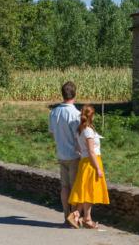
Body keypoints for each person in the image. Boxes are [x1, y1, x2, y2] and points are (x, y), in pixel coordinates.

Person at [68, 104, 110, 229]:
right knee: (90, 191)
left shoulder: (80, 129)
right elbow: (92, 151)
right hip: (92, 162)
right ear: (92, 116)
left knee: (86, 191)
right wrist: (98, 168)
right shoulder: (88, 131)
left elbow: (79, 148)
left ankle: (78, 215)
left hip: (85, 161)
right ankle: (85, 218)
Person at [49, 81, 81, 227]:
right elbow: (78, 136)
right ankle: (73, 216)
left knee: (64, 187)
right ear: (75, 94)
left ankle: (65, 215)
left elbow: (52, 133)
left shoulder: (54, 112)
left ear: (62, 94)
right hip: (74, 155)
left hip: (61, 153)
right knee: (74, 187)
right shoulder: (75, 114)